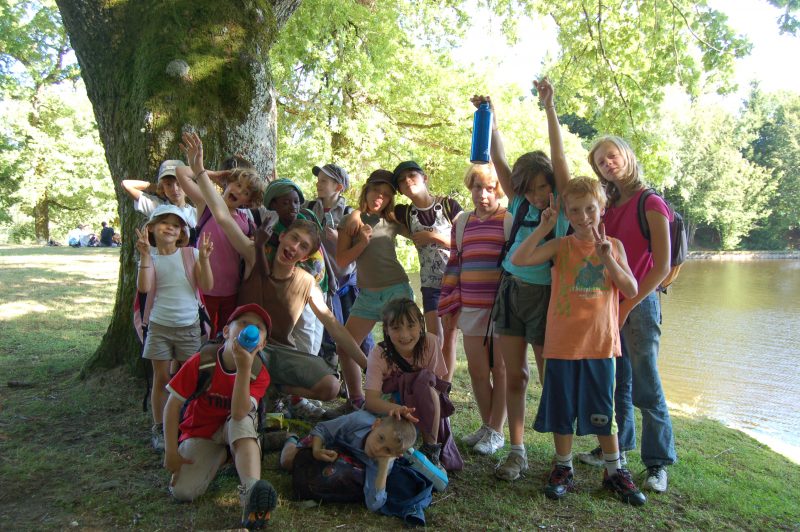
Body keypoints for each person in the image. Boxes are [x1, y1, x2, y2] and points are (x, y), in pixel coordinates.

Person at [182, 132, 365, 404]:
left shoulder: (306, 282)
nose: (294, 247)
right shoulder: (255, 256)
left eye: (303, 246)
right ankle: (258, 393)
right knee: (234, 360)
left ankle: (275, 390)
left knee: (330, 386)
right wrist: (199, 171)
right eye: (293, 238)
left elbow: (334, 327)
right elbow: (221, 215)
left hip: (280, 353)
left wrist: (368, 363)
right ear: (281, 237)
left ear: (306, 255)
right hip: (245, 345)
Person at [511, 178, 646, 506]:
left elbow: (630, 290)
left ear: (602, 209)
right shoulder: (561, 245)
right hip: (561, 345)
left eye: (590, 209)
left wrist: (607, 259)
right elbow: (519, 259)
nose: (584, 216)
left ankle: (614, 471)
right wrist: (543, 228)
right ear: (566, 214)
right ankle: (563, 467)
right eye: (575, 210)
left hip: (601, 345)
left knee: (605, 410)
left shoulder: (614, 246)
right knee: (562, 408)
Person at [472, 78, 571, 481]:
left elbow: (558, 154)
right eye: (528, 191)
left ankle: (561, 458)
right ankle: (516, 451)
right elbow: (497, 157)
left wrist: (549, 106)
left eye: (541, 188)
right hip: (511, 294)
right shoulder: (517, 199)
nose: (535, 197)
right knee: (515, 375)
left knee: (552, 376)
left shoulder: (563, 202)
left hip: (548, 298)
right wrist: (489, 116)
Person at [576, 135, 677, 494]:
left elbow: (662, 265)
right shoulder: (608, 204)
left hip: (640, 303)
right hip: (610, 304)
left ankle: (657, 463)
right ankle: (619, 448)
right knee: (615, 383)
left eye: (612, 156)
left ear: (627, 156)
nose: (607, 164)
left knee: (646, 384)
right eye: (600, 162)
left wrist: (627, 306)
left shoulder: (650, 202)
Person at [163, 303, 277, 530]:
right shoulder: (202, 361)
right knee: (183, 492)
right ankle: (225, 455)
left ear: (262, 343)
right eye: (243, 323)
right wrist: (171, 452)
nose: (249, 330)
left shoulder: (258, 373)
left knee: (241, 420)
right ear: (226, 332)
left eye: (257, 327)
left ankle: (251, 494)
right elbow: (172, 405)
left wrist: (244, 368)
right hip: (201, 432)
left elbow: (238, 412)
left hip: (235, 426)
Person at [330, 170, 415, 417]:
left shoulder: (392, 220)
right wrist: (362, 243)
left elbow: (418, 229)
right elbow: (342, 260)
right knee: (345, 347)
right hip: (366, 295)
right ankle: (356, 400)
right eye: (377, 190)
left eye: (387, 194)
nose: (381, 197)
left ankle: (407, 403)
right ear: (366, 189)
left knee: (404, 349)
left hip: (396, 291)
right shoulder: (351, 221)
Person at [438, 163, 507, 456]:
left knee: (500, 370)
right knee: (479, 371)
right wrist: (450, 302)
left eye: (490, 189)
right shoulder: (462, 222)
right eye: (477, 188)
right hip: (470, 307)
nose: (483, 195)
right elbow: (455, 263)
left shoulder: (509, 219)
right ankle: (486, 424)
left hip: (502, 310)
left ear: (498, 191)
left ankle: (497, 431)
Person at [135, 204, 214, 451]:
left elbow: (207, 285)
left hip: (189, 327)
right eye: (164, 222)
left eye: (176, 224)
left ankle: (188, 423)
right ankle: (159, 427)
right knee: (162, 377)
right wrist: (146, 257)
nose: (170, 227)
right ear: (151, 229)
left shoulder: (190, 254)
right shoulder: (151, 258)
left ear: (182, 232)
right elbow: (145, 288)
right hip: (159, 326)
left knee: (189, 379)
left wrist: (204, 259)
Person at [173, 150, 266, 337]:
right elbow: (181, 173)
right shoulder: (205, 203)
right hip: (204, 288)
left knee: (224, 336)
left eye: (246, 192)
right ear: (227, 183)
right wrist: (214, 174)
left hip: (231, 290)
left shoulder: (245, 221)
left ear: (248, 200)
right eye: (237, 184)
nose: (239, 191)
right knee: (201, 335)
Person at [363, 298, 462, 470]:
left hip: (423, 406)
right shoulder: (378, 354)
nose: (404, 335)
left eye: (411, 325)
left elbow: (436, 387)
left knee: (424, 380)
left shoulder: (430, 342)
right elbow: (371, 400)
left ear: (421, 325)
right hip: (392, 408)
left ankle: (431, 449)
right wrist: (397, 409)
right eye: (396, 328)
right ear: (386, 329)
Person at [392, 161, 462, 383]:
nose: (407, 181)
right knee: (434, 337)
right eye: (401, 181)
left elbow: (466, 241)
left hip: (455, 281)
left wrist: (433, 237)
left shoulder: (449, 205)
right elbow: (380, 213)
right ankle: (432, 383)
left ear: (425, 178)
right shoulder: (404, 213)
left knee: (450, 335)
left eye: (412, 175)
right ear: (400, 190)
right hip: (430, 284)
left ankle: (445, 388)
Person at [278, 409, 417, 512]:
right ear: (376, 424)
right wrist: (317, 450)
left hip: (349, 462)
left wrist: (383, 467)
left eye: (387, 450)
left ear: (396, 455)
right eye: (380, 438)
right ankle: (290, 437)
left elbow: (373, 504)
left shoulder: (383, 461)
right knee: (287, 461)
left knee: (333, 478)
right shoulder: (358, 420)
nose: (377, 448)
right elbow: (322, 429)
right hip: (331, 443)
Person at [305, 164, 375, 366]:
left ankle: (371, 373)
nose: (319, 184)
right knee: (331, 331)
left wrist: (339, 239)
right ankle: (333, 372)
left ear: (338, 187)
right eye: (318, 180)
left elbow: (364, 247)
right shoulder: (309, 209)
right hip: (323, 282)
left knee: (359, 334)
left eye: (324, 181)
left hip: (347, 280)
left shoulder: (350, 213)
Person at [122, 159, 198, 227]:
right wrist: (158, 188)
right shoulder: (157, 207)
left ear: (187, 186)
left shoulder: (197, 212)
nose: (175, 189)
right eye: (168, 184)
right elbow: (126, 184)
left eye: (179, 184)